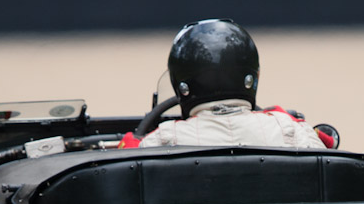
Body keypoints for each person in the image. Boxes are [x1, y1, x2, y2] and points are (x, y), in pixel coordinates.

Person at [120, 19, 333, 149]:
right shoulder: (290, 130)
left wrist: (132, 142)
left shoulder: (163, 139)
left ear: (181, 83)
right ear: (251, 76)